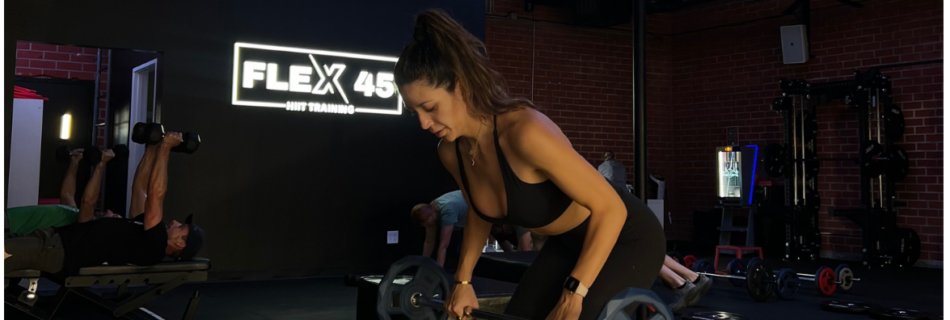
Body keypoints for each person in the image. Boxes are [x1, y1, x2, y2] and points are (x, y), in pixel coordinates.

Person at [395, 10, 666, 320]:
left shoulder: (525, 132)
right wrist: (462, 281)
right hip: (565, 243)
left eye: (429, 108)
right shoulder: (450, 151)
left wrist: (574, 293)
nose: (424, 123)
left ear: (460, 85)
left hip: (625, 236)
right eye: (414, 111)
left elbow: (611, 209)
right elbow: (479, 215)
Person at [3, 133, 205, 280]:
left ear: (179, 244)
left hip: (55, 251)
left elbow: (155, 195)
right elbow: (140, 189)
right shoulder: (141, 229)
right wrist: (152, 147)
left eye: (181, 227)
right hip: (50, 237)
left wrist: (165, 150)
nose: (175, 222)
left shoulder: (155, 245)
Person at [5, 148, 120, 235]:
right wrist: (74, 163)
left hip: (14, 227)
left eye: (113, 215)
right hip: (13, 217)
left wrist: (101, 164)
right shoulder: (75, 214)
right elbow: (67, 195)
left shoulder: (88, 225)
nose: (109, 210)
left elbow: (88, 202)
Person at [411, 190, 468, 267]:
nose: (427, 226)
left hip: (477, 209)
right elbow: (429, 242)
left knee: (461, 250)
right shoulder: (432, 209)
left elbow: (443, 246)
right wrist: (422, 266)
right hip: (463, 206)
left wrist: (438, 272)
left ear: (432, 216)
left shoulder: (447, 210)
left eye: (427, 223)